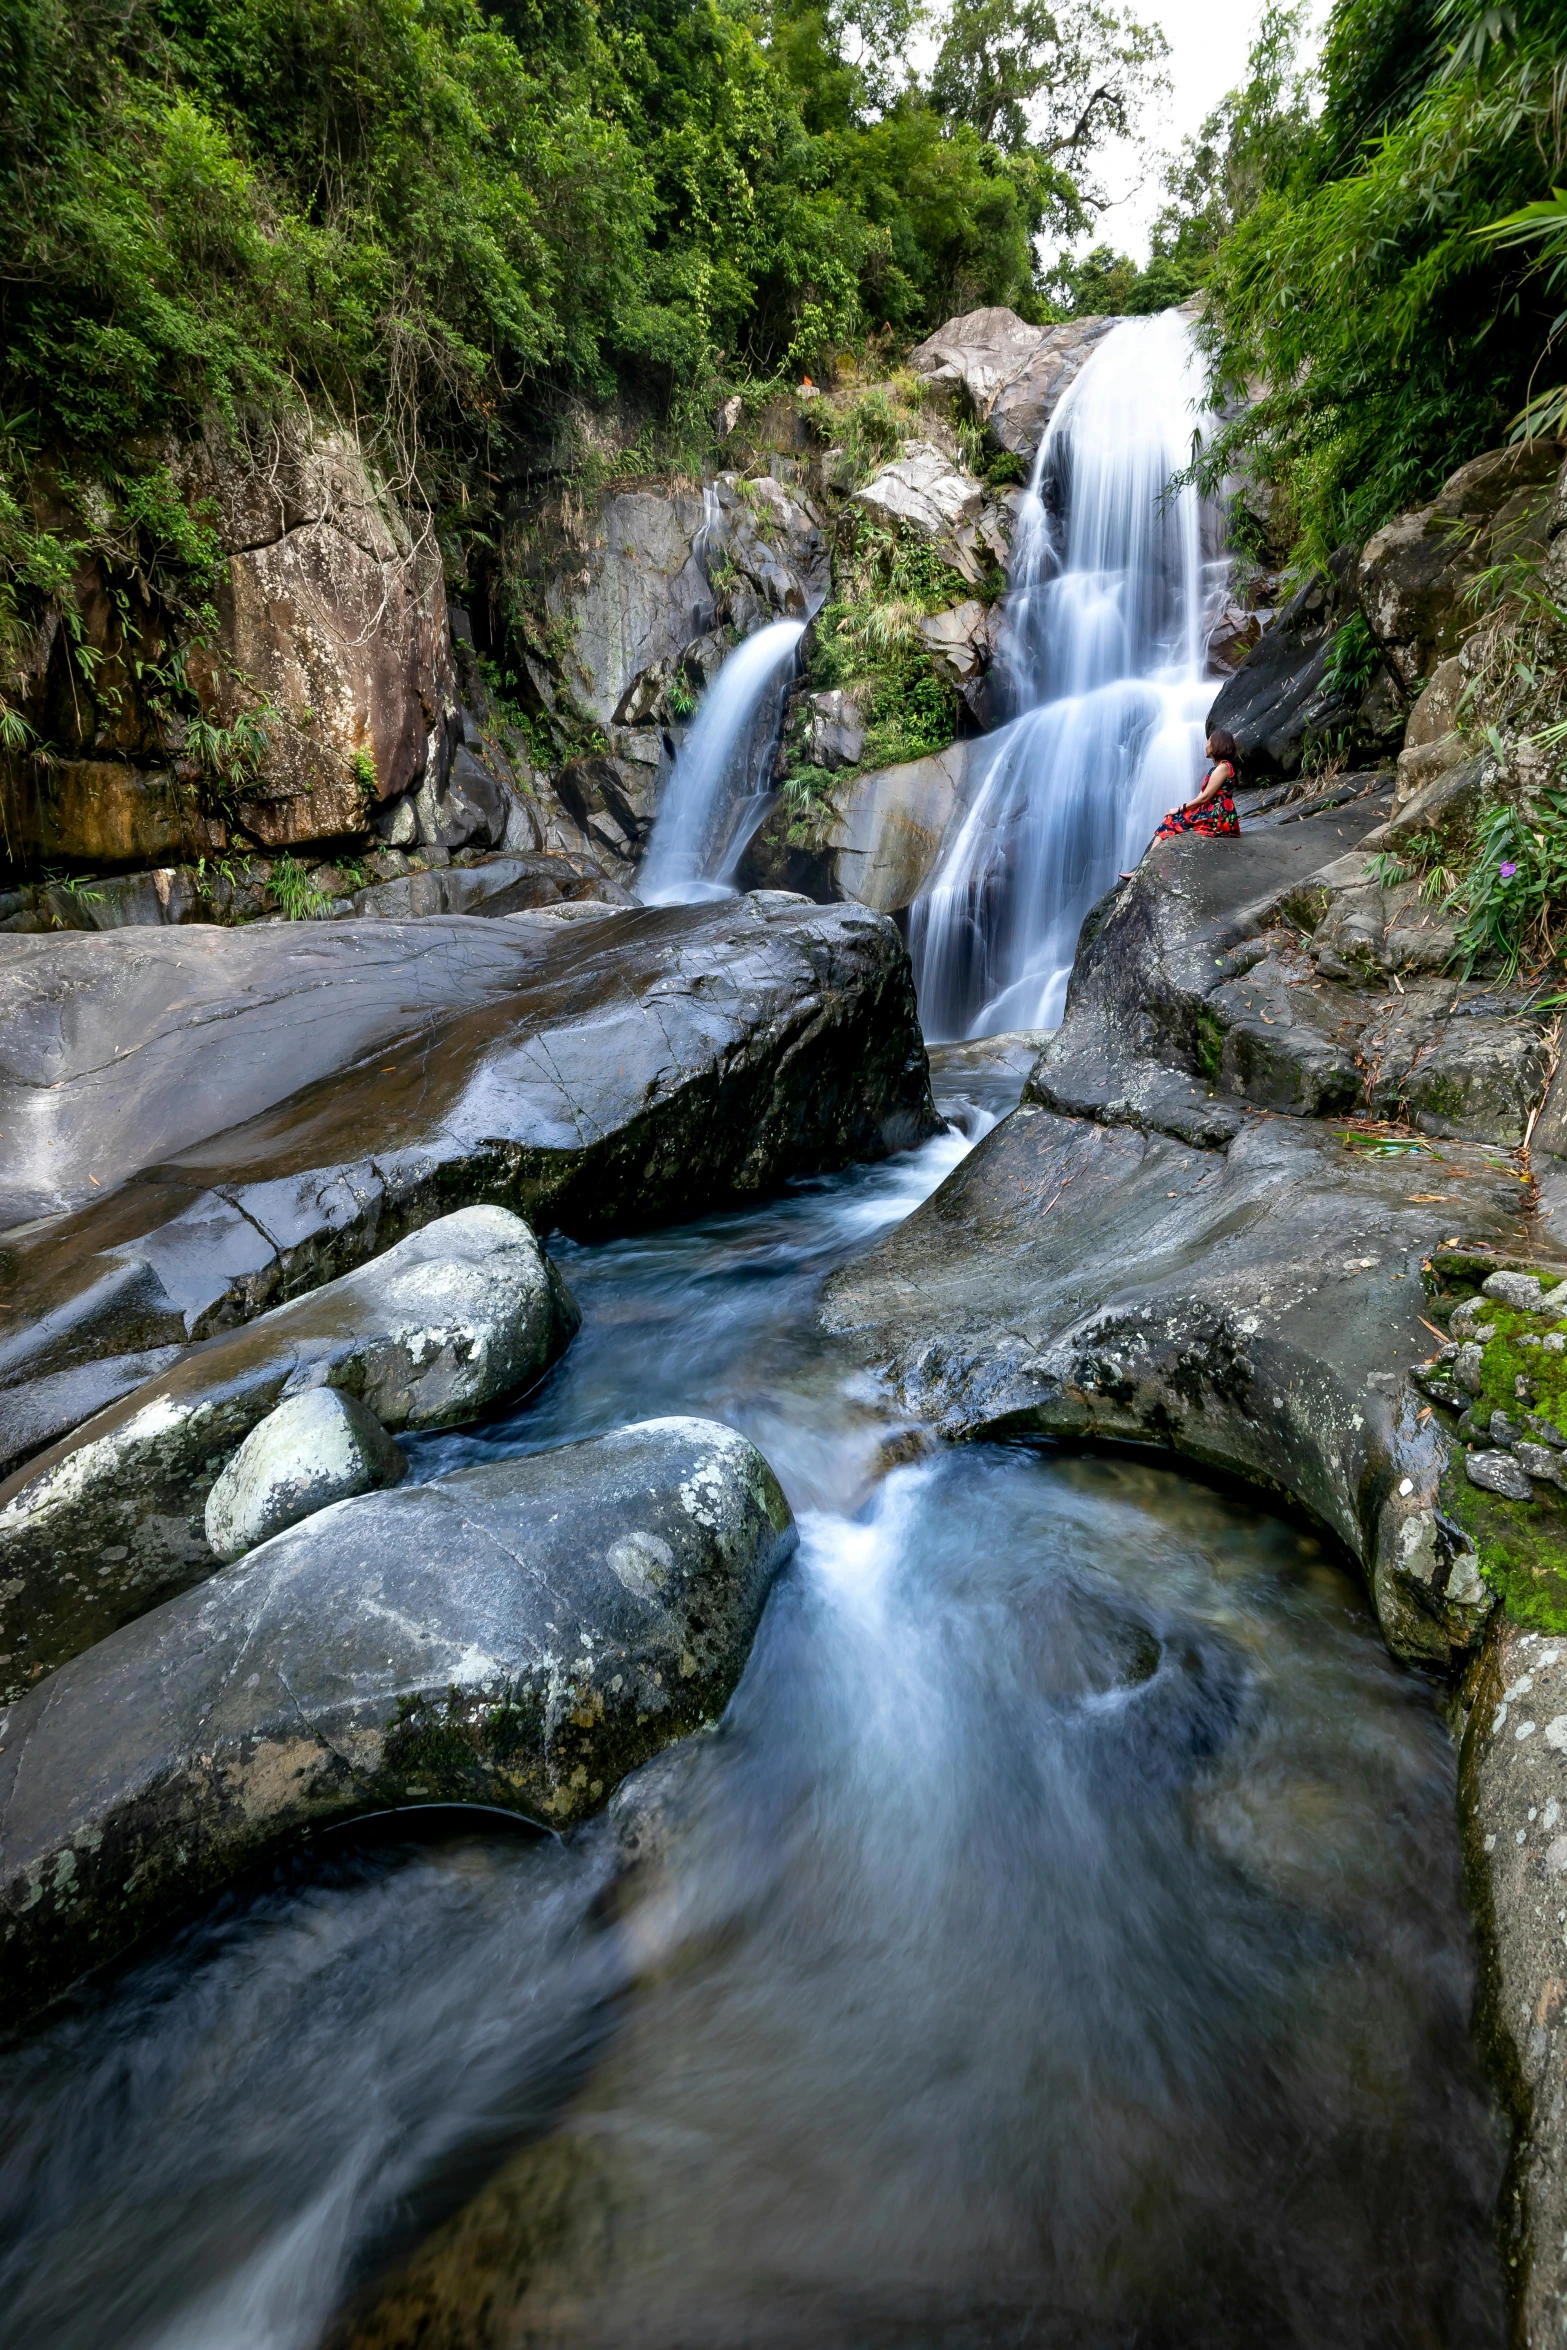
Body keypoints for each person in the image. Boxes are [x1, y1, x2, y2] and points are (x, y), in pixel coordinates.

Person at [1122, 730, 1241, 876]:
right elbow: (1201, 797)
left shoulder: (1223, 768)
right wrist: (1183, 810)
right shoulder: (1218, 768)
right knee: (1172, 820)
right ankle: (1143, 868)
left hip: (1218, 817)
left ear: (1217, 745)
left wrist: (1179, 810)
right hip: (1213, 813)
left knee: (1170, 821)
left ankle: (1142, 870)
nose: (1206, 745)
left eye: (1209, 742)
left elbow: (1204, 797)